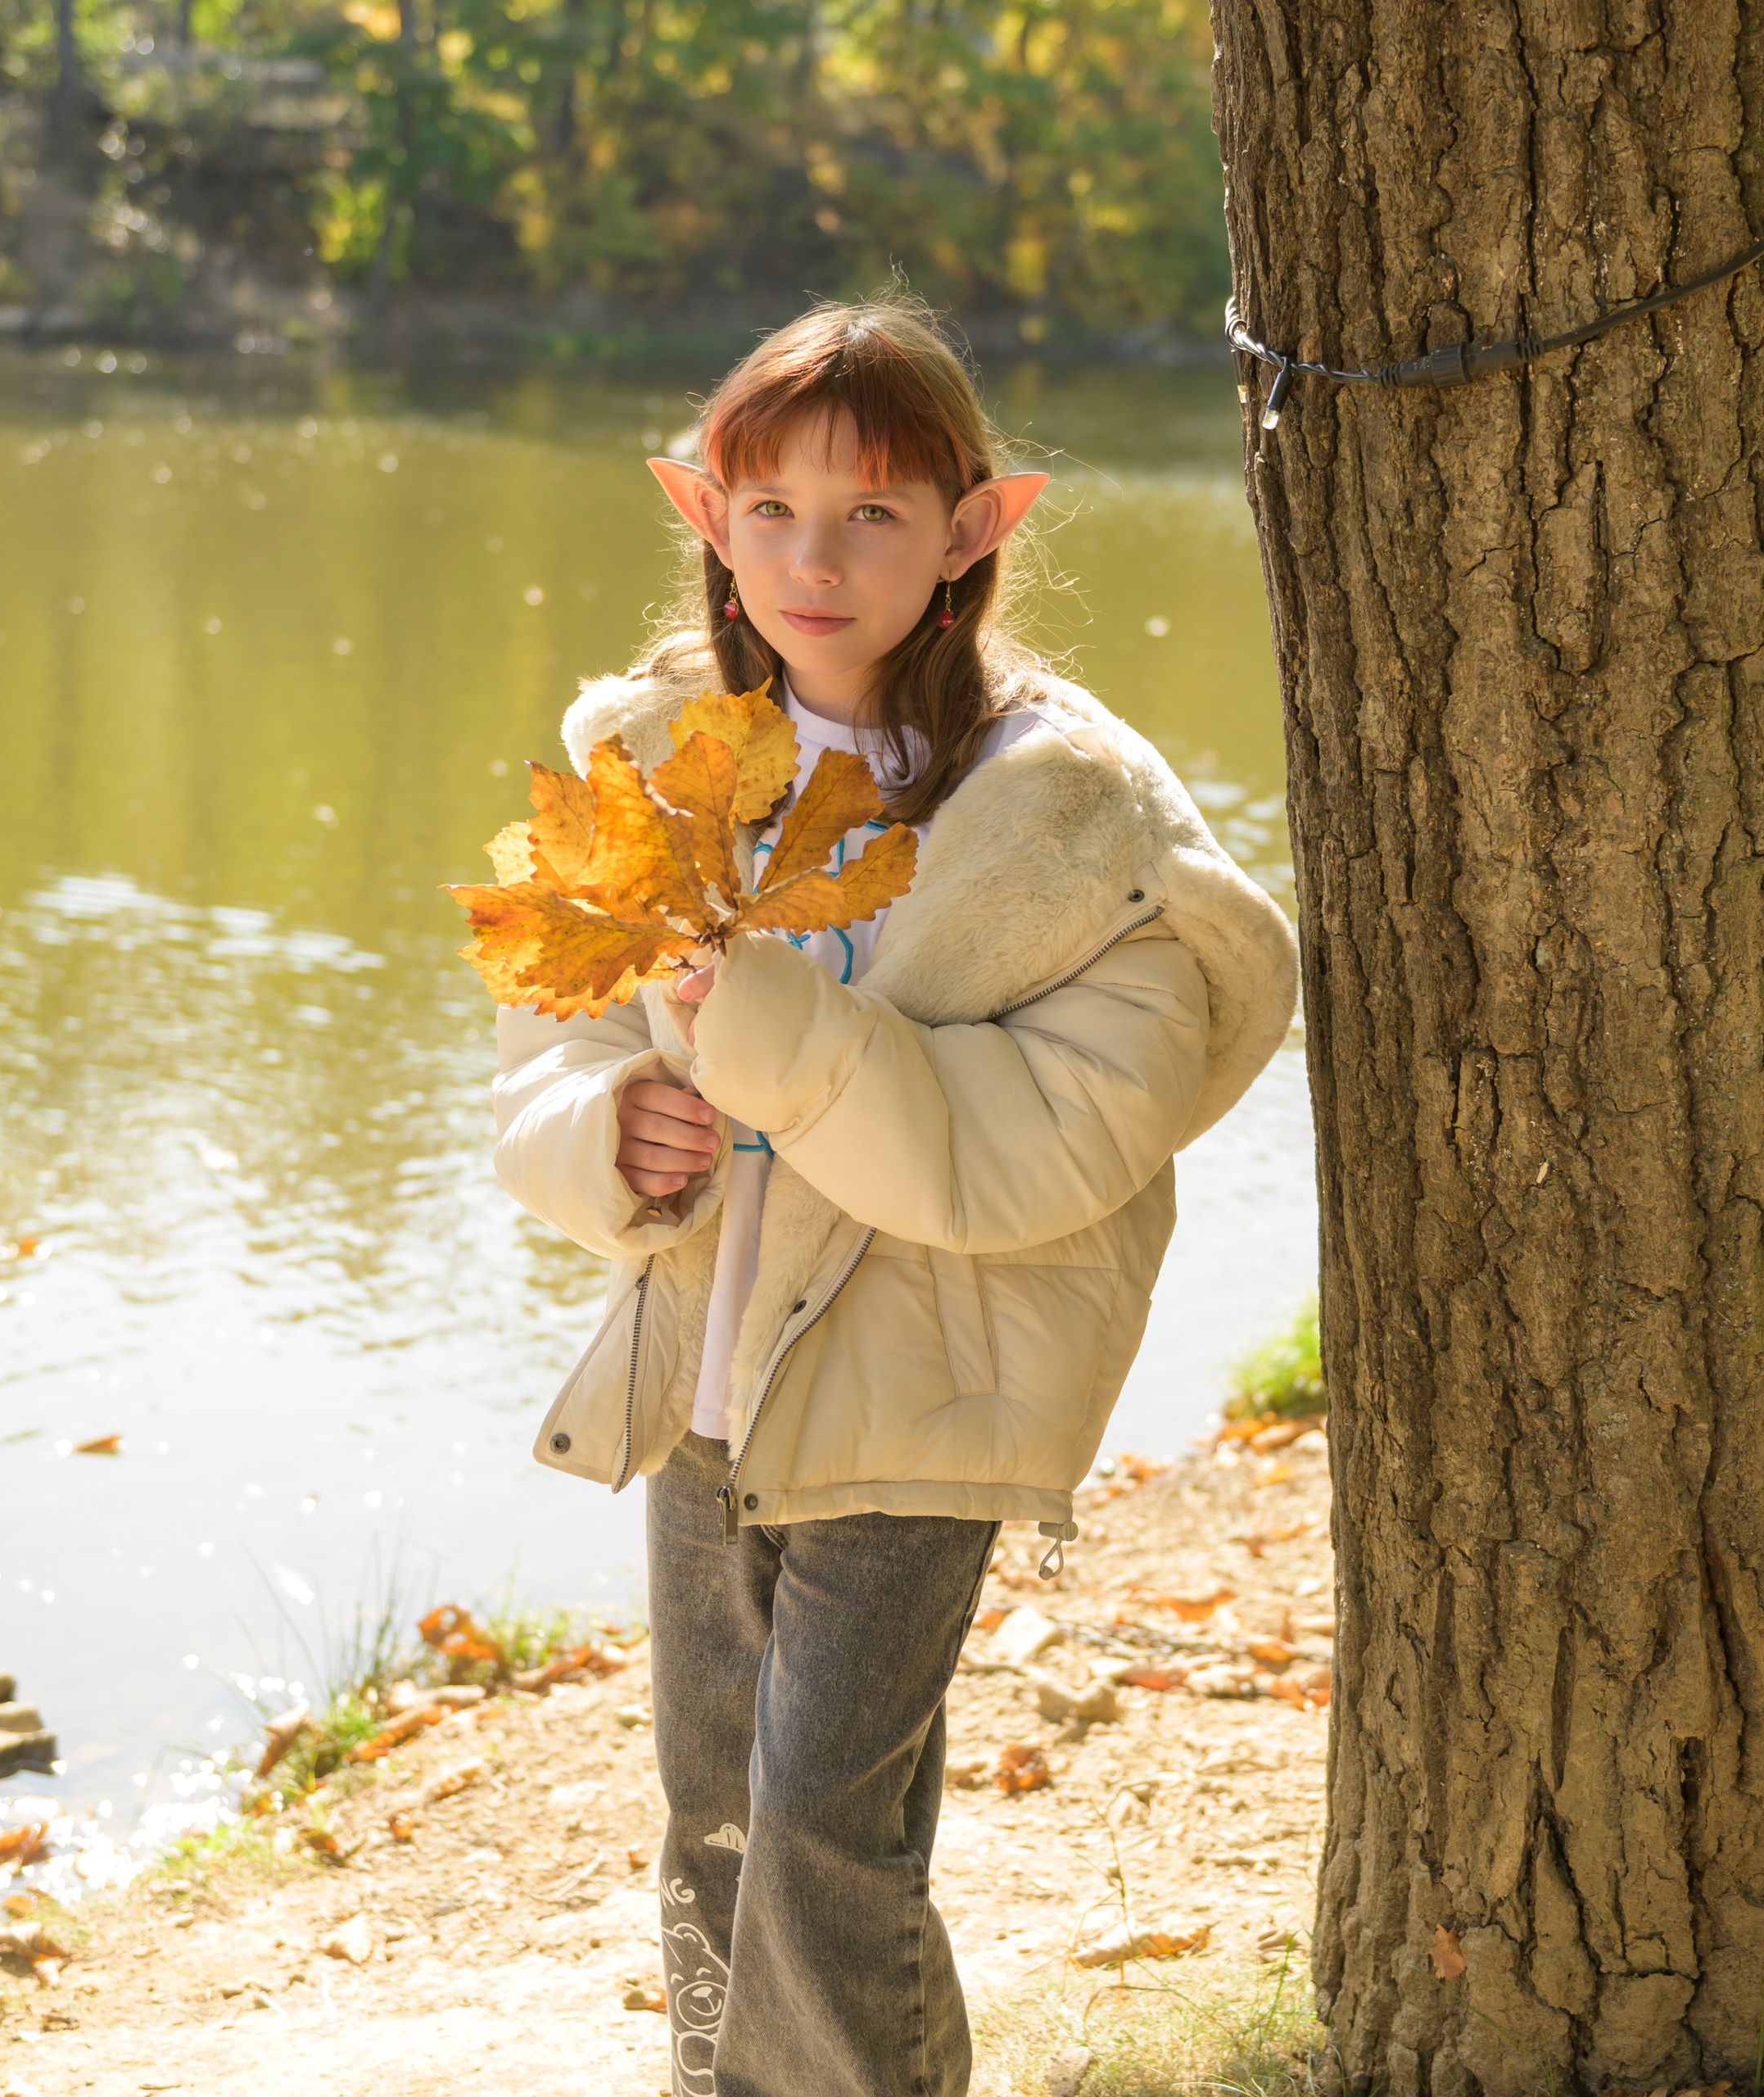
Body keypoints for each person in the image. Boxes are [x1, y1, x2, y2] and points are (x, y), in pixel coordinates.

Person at [491, 294, 1297, 2097]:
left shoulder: (1065, 825)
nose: (813, 558)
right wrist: (607, 1127)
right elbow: (534, 1055)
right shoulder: (653, 769)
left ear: (974, 529)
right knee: (711, 1805)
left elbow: (1027, 1146)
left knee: (822, 1826)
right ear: (700, 513)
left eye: (869, 512)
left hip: (923, 1382)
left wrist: (766, 1027)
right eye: (767, 508)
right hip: (707, 1365)